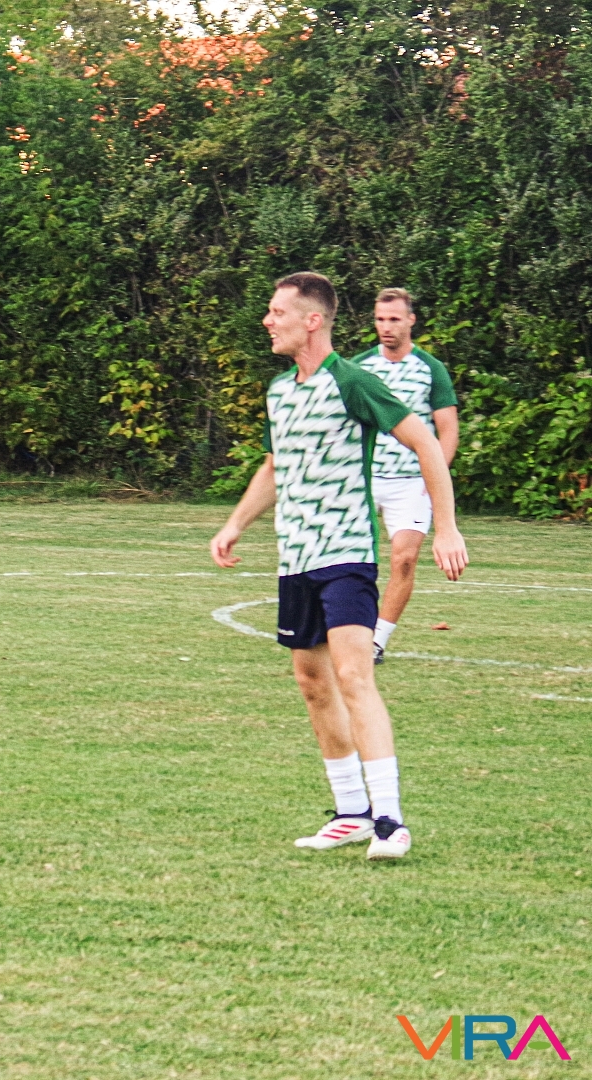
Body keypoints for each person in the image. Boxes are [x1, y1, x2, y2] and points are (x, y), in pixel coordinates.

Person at [210, 273, 468, 860]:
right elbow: (275, 466)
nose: (267, 321)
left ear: (312, 320)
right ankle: (351, 812)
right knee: (312, 682)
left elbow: (427, 443)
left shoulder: (352, 381)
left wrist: (446, 526)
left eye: (277, 312)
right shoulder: (280, 391)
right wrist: (235, 523)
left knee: (354, 676)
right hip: (295, 558)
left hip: (346, 555)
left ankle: (390, 822)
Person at [350, 289, 459, 664]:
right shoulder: (359, 368)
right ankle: (346, 630)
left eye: (394, 319)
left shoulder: (430, 369)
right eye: (380, 319)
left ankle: (376, 642)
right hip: (364, 479)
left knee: (405, 559)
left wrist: (434, 480)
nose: (386, 327)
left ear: (411, 320)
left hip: (412, 483)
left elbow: (448, 431)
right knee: (351, 561)